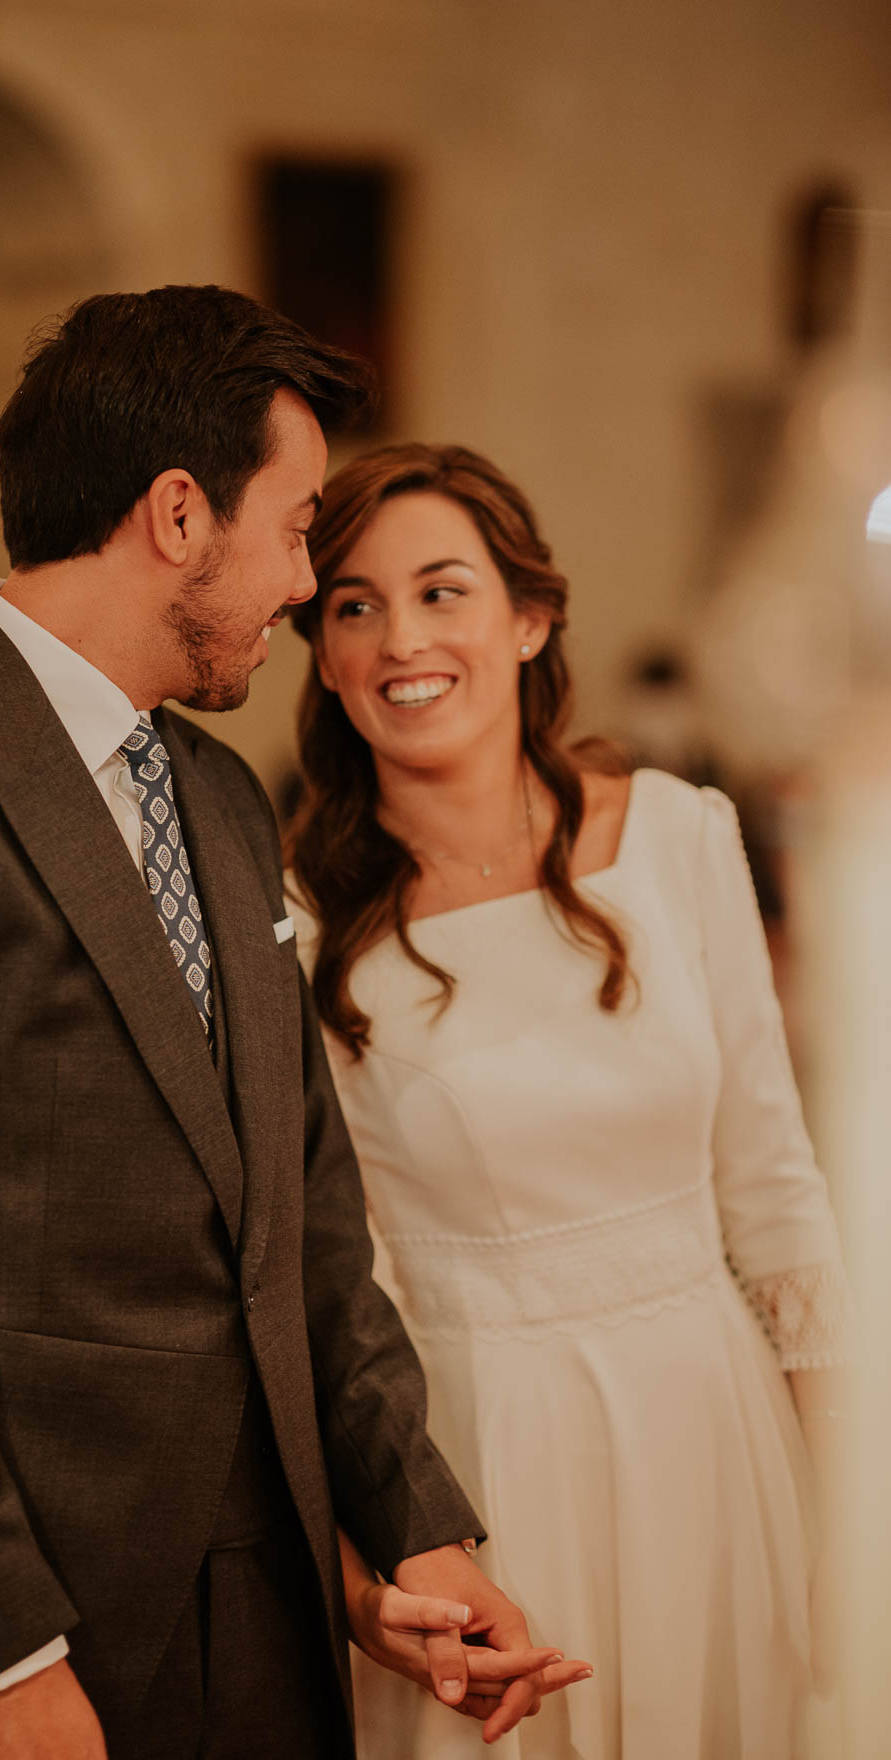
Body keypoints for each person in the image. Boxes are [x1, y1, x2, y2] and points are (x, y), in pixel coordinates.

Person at [0, 296, 590, 1758]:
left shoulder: (220, 796)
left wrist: (415, 1533)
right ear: (179, 514)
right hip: (0, 1643)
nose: (306, 584)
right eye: (299, 529)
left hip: (254, 1634)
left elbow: (301, 1217)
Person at [287, 441, 851, 1759]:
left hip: (713, 1434)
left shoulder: (677, 834)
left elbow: (775, 1199)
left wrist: (845, 1520)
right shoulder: (305, 930)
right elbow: (326, 1283)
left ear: (528, 618)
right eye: (352, 604)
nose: (397, 638)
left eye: (441, 592)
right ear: (317, 651)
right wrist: (369, 1572)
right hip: (478, 1461)